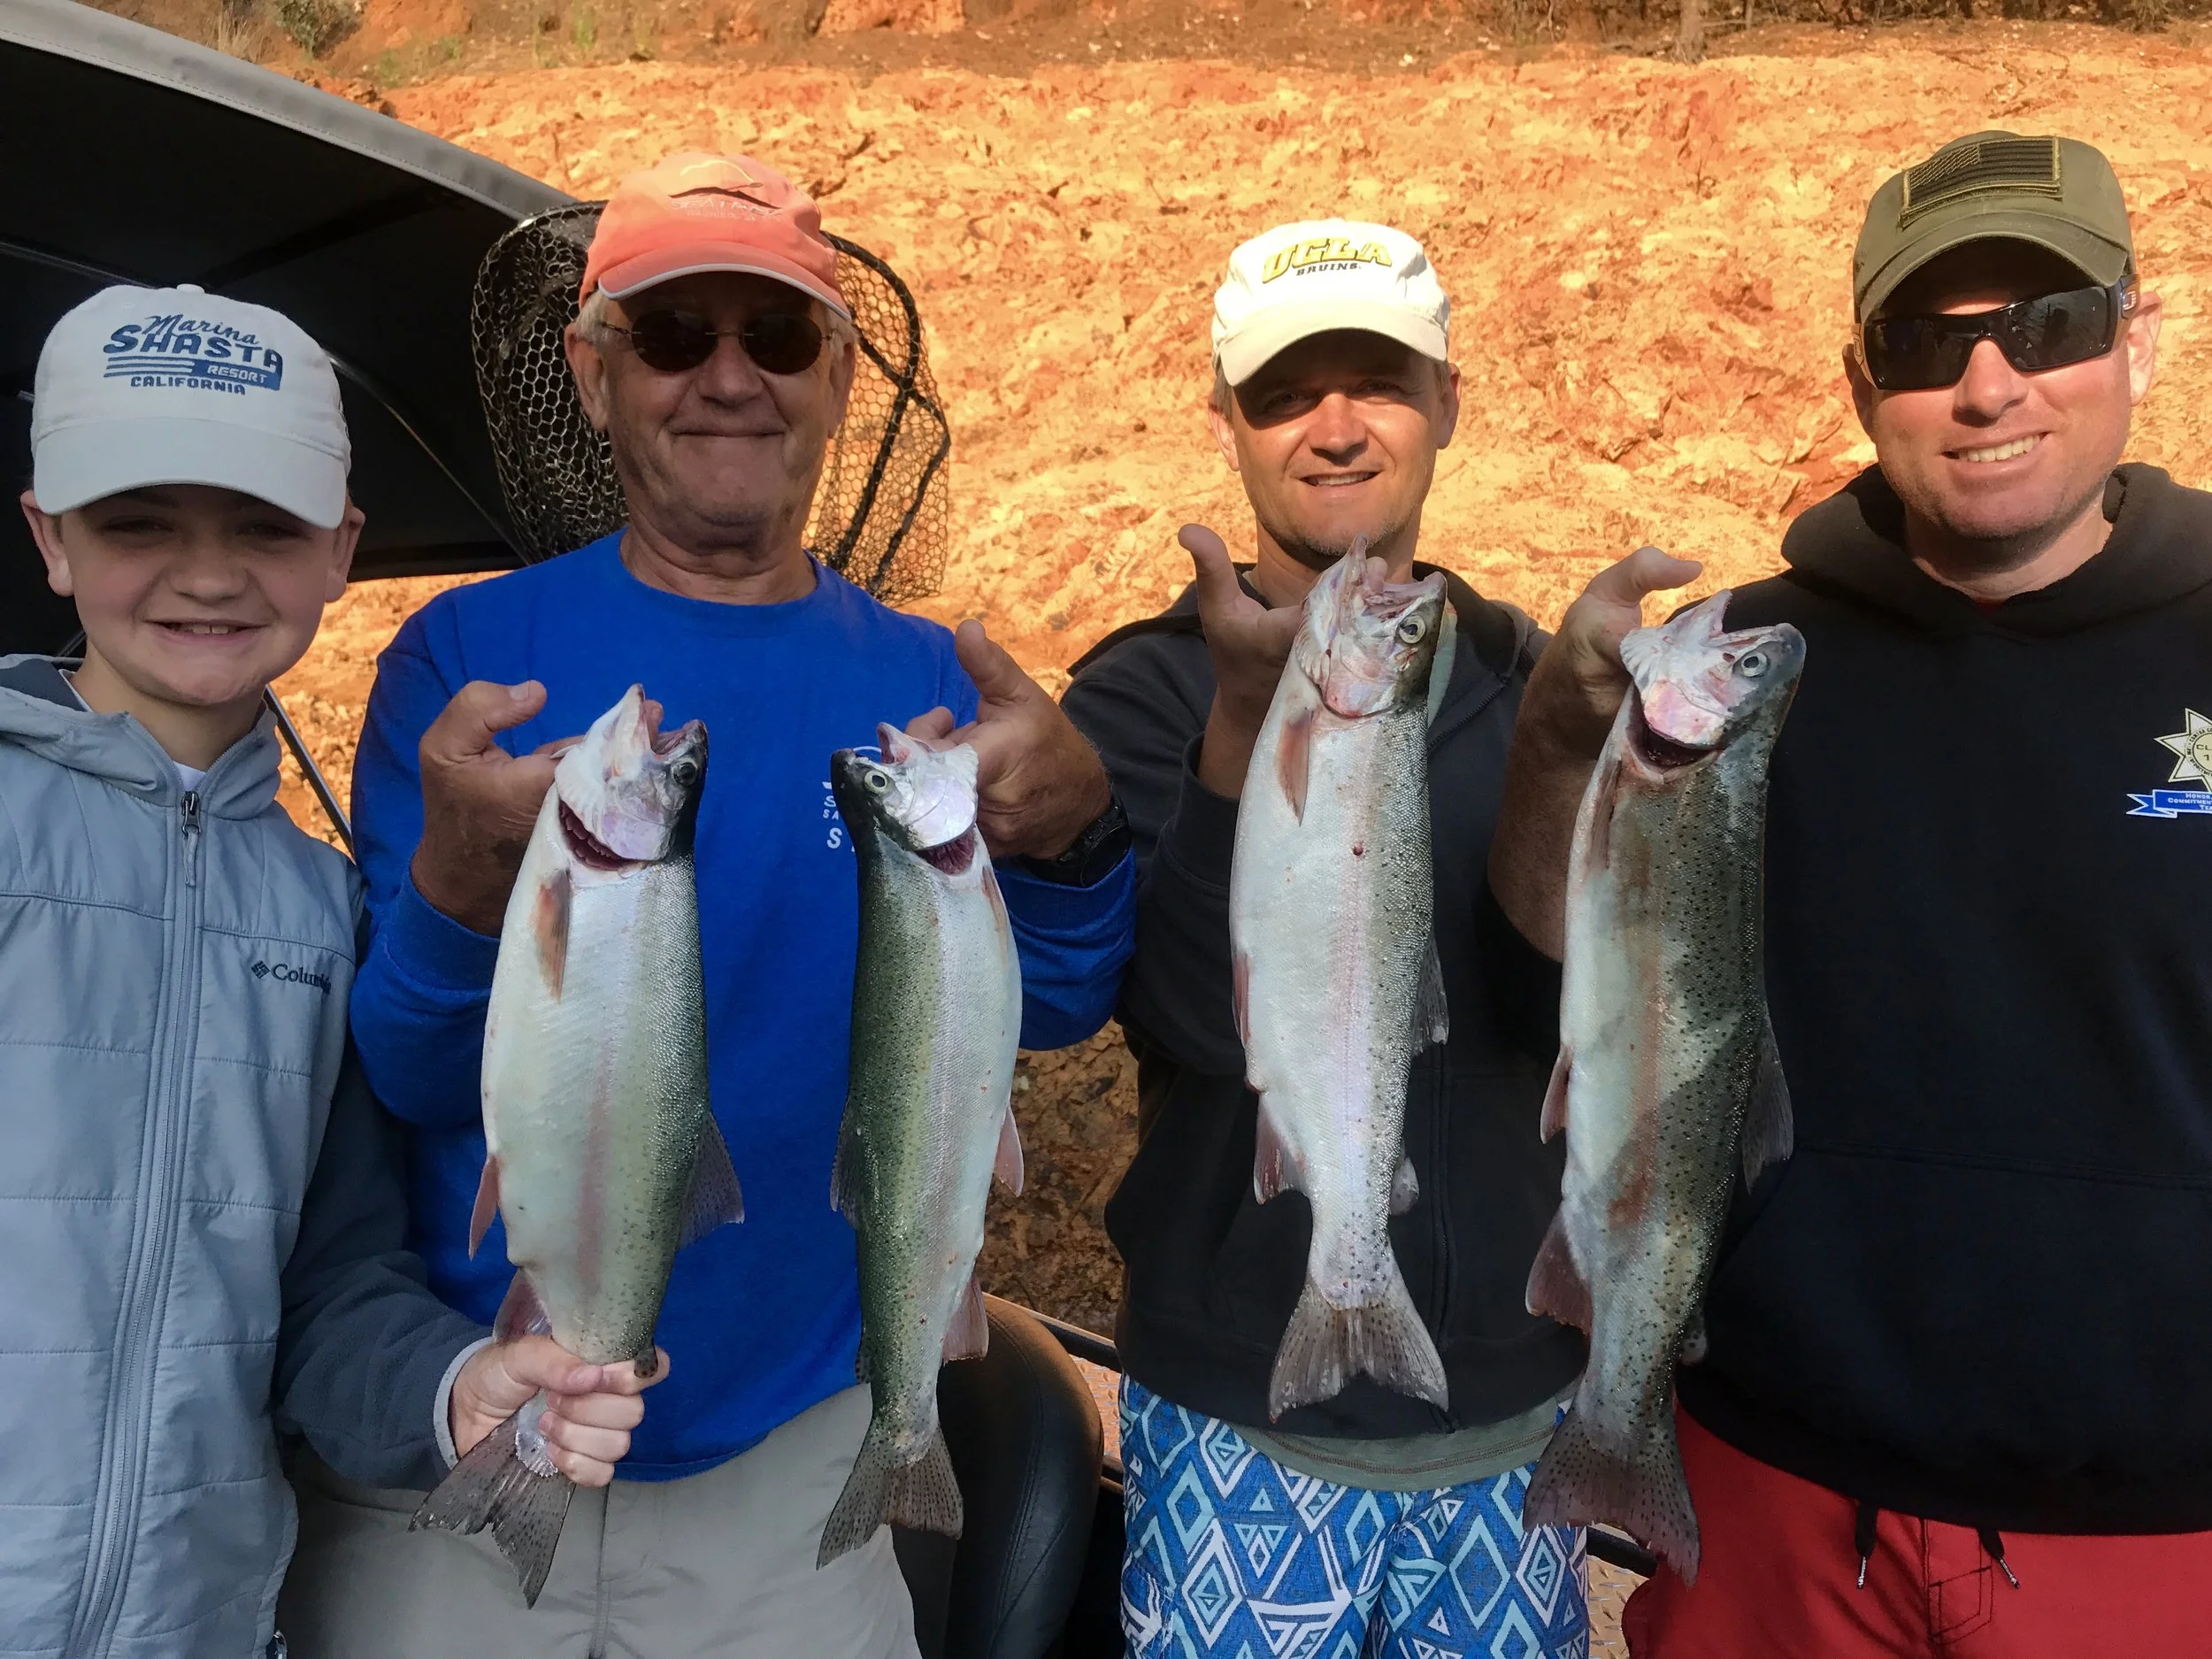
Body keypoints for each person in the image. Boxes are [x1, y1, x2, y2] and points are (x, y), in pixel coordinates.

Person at [275, 153, 1134, 1657]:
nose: (729, 376)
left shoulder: (930, 683)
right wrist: (461, 899)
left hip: (793, 1459)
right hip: (484, 1416)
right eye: (675, 337)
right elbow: (414, 1073)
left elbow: (1048, 1007)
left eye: (778, 336)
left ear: (837, 378)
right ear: (593, 376)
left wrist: (1076, 838)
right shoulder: (465, 661)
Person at [1489, 131, 2212, 1657]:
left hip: (2158, 1523)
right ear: (1857, 383)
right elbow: (1558, 970)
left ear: (2140, 335)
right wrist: (1562, 746)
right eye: (1924, 345)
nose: (1990, 383)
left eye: (2050, 324)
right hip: (1772, 1485)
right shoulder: (1738, 662)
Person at [4, 286, 652, 1659]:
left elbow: (329, 1290)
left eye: (265, 524)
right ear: (48, 537)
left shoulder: (320, 908)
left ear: (341, 549)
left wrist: (456, 1386)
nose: (208, 572)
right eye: (137, 523)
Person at [1062, 219, 1589, 1659]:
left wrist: (1568, 767)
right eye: (1291, 390)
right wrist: (1242, 727)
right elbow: (1176, 1013)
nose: (1340, 427)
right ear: (1224, 417)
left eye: (1382, 382)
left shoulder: (1529, 684)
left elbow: (1567, 1017)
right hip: (1241, 1407)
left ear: (1450, 403)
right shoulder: (1142, 692)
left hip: (1505, 1417)